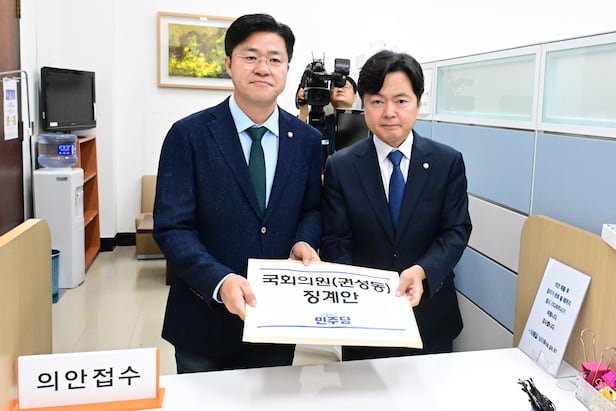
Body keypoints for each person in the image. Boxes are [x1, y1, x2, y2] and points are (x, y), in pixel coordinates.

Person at [153, 13, 323, 373]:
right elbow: (172, 226)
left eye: (274, 59)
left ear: (286, 69)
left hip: (276, 320)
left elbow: (312, 209)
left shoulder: (306, 140)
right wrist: (219, 280)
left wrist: (303, 241)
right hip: (204, 320)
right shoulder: (189, 134)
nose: (263, 68)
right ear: (229, 64)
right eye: (251, 56)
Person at [320, 50, 472, 361]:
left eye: (401, 101)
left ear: (418, 102)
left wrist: (423, 271)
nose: (389, 112)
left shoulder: (447, 162)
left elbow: (455, 231)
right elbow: (335, 240)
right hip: (364, 320)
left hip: (429, 315)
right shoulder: (341, 166)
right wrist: (356, 294)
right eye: (377, 101)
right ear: (363, 103)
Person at [296, 77, 358, 154]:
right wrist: (303, 111)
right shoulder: (320, 122)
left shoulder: (365, 123)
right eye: (335, 86)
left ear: (355, 97)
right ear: (329, 95)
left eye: (346, 87)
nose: (340, 89)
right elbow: (298, 143)